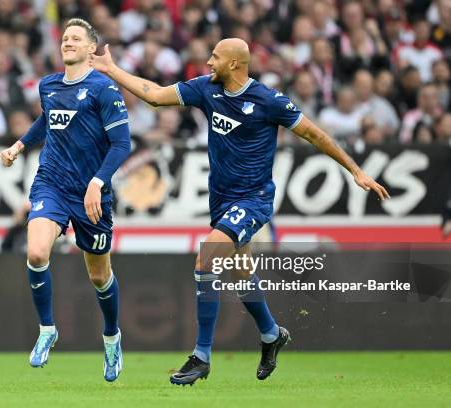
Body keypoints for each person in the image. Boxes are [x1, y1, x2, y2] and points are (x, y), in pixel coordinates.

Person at [91, 37, 389, 385]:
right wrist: (112, 70)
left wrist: (355, 169)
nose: (207, 63)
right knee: (240, 273)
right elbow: (155, 95)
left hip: (253, 200)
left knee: (206, 259)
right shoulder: (206, 89)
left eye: (214, 57)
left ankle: (201, 356)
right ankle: (271, 334)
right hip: (220, 200)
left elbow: (315, 135)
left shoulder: (267, 100)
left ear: (235, 63)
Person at [0, 18, 130, 382]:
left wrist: (97, 182)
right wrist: (20, 144)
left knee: (99, 275)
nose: (68, 42)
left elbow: (122, 144)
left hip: (92, 193)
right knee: (37, 252)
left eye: (76, 38)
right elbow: (47, 121)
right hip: (52, 183)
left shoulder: (105, 90)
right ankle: (46, 329)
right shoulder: (49, 85)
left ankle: (111, 337)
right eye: (65, 38)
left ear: (92, 49)